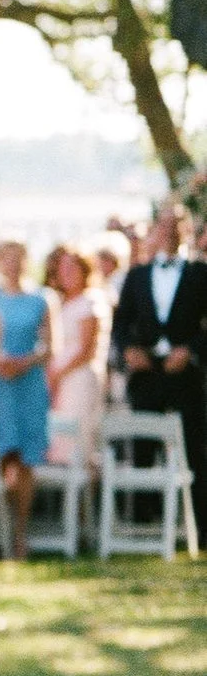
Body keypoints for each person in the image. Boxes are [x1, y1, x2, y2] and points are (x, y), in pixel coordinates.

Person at [110, 201, 207, 543]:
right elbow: (120, 324)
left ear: (187, 229)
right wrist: (130, 351)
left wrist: (191, 350)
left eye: (176, 223)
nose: (169, 230)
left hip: (186, 375)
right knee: (142, 447)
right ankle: (142, 524)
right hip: (147, 372)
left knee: (195, 448)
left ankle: (200, 527)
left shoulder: (200, 273)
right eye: (163, 224)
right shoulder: (137, 275)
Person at [0, 240, 51, 559]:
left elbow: (49, 346)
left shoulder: (41, 300)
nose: (12, 264)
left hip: (29, 385)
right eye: (6, 258)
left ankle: (20, 532)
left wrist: (23, 361)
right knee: (1, 452)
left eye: (17, 258)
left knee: (25, 458)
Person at [45, 243, 106, 475]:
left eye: (73, 267)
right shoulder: (59, 302)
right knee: (59, 440)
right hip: (59, 378)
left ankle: (84, 507)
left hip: (79, 379)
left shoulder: (90, 301)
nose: (68, 273)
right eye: (64, 268)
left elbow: (86, 349)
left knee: (81, 439)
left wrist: (58, 373)